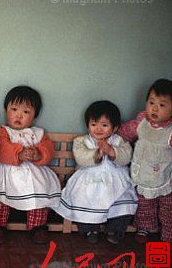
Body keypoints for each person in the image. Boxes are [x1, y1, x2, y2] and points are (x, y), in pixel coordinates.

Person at [118, 79, 172, 244]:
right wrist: (114, 142)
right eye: (151, 102)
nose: (154, 108)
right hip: (144, 174)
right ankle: (144, 228)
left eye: (162, 105)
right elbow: (124, 133)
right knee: (144, 205)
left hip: (169, 180)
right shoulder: (141, 123)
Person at [53, 101, 137, 245]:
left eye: (104, 125)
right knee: (84, 198)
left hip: (115, 180)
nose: (98, 129)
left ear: (115, 127)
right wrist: (97, 153)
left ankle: (115, 229)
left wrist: (111, 151)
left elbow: (126, 157)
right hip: (88, 179)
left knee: (123, 201)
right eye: (93, 124)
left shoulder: (119, 141)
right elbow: (80, 157)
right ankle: (89, 229)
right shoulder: (82, 141)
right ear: (88, 125)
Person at [0, 86, 61, 245]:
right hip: (8, 172)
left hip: (33, 173)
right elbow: (0, 149)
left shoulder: (39, 133)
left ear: (35, 115)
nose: (19, 115)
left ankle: (37, 227)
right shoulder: (2, 131)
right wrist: (18, 154)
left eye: (26, 112)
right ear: (6, 110)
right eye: (14, 109)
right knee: (0, 198)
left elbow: (49, 149)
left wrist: (39, 154)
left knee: (39, 194)